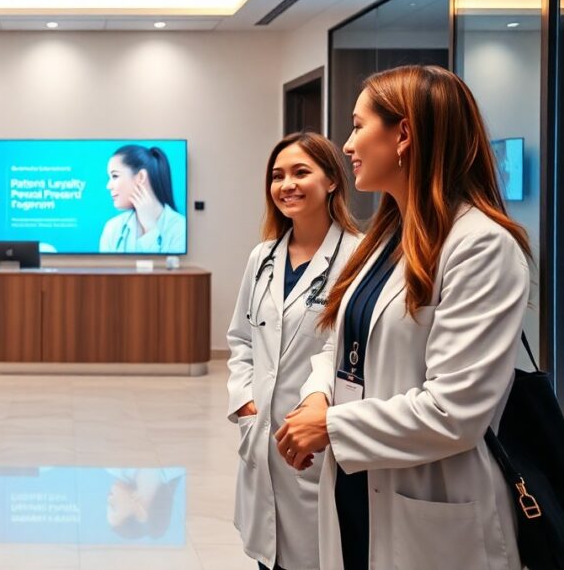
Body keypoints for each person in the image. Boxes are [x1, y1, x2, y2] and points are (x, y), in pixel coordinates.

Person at [273, 65, 531, 570]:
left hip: (432, 507)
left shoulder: (481, 246)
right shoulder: (385, 239)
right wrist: (317, 396)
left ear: (404, 135)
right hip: (357, 492)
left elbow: (454, 411)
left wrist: (330, 425)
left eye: (358, 126)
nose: (347, 145)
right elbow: (340, 346)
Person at [226, 132, 361, 570]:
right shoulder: (262, 257)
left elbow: (347, 351)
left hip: (320, 443)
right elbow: (241, 339)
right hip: (263, 438)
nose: (287, 185)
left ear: (332, 181)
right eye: (277, 176)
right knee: (269, 557)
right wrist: (246, 404)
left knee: (322, 554)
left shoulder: (359, 257)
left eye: (301, 172)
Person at [99, 145, 186, 253]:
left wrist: (150, 229)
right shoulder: (112, 228)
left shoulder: (180, 228)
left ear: (140, 177)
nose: (108, 186)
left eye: (115, 176)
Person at [105, 468, 184, 540]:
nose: (108, 498)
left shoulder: (113, 467)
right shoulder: (178, 469)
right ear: (140, 513)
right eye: (113, 506)